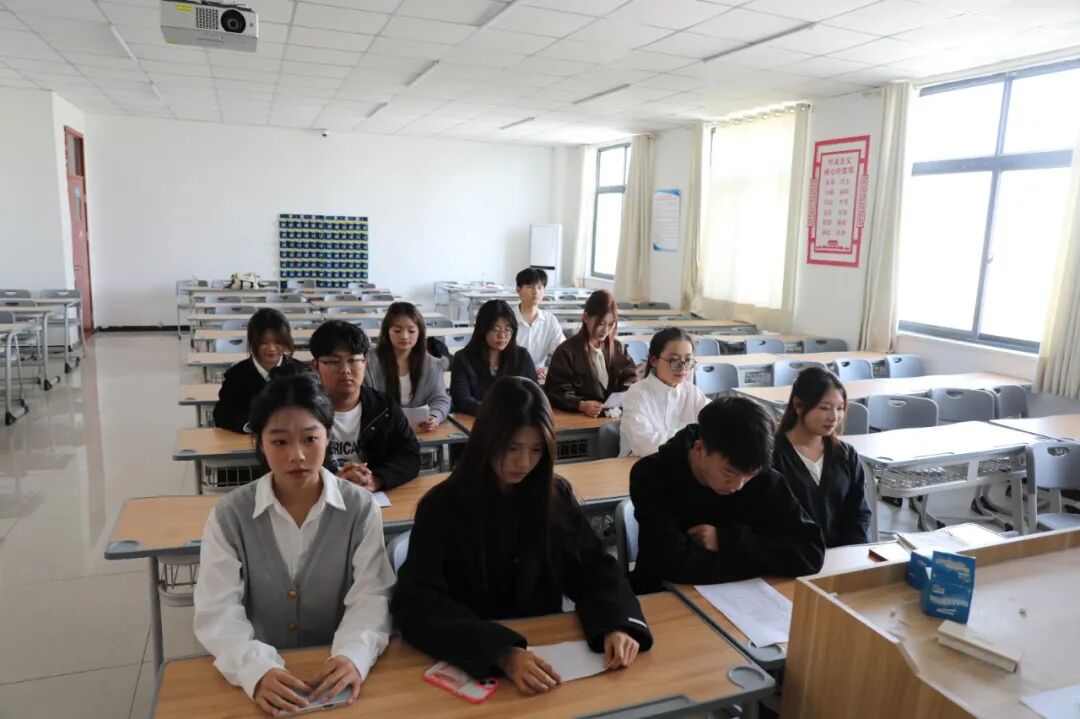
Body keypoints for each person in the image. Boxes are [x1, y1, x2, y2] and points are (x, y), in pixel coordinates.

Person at [391, 377, 653, 695]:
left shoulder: (554, 496)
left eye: (536, 449)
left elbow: (593, 568)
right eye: (511, 447)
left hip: (545, 653)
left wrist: (616, 622)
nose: (523, 462)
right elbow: (418, 604)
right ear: (486, 441)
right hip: (472, 659)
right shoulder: (442, 506)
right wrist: (501, 652)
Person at [193, 373, 395, 716]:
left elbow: (371, 594)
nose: (297, 455)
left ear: (328, 436)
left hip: (336, 671)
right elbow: (217, 610)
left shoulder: (360, 508)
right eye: (280, 441)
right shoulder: (230, 515)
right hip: (262, 671)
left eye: (310, 438)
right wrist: (255, 669)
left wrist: (353, 656)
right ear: (260, 443)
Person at [629, 396, 825, 592]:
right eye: (729, 473)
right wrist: (764, 559)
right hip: (663, 596)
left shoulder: (763, 477)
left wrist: (726, 541)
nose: (738, 486)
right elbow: (673, 565)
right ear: (700, 448)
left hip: (746, 597)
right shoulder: (652, 475)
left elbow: (810, 553)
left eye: (749, 476)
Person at [309, 320, 420, 491]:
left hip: (372, 496)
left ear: (365, 361)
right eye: (334, 361)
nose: (345, 370)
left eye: (353, 360)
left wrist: (376, 479)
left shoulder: (384, 408)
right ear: (316, 365)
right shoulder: (302, 412)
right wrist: (333, 481)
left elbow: (410, 456)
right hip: (319, 495)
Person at [772, 367, 871, 548]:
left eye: (840, 408)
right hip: (792, 556)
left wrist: (853, 553)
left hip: (842, 556)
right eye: (825, 408)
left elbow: (859, 514)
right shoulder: (773, 455)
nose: (834, 417)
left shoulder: (846, 455)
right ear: (799, 406)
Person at [619, 327, 711, 457]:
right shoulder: (637, 393)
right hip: (640, 464)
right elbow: (645, 445)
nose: (683, 367)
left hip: (683, 462)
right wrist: (693, 434)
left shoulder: (692, 391)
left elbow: (715, 424)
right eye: (674, 360)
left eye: (688, 360)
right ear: (654, 361)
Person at [545, 289, 637, 417]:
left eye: (611, 324)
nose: (605, 330)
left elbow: (631, 378)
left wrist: (623, 396)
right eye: (601, 324)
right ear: (586, 318)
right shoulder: (566, 351)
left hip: (615, 415)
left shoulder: (618, 347)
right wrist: (581, 404)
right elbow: (556, 391)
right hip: (580, 418)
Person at [213, 308, 307, 432]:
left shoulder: (301, 373)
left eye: (278, 342)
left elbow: (314, 411)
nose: (271, 348)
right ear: (253, 342)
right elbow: (222, 414)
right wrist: (252, 425)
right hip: (249, 439)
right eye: (264, 342)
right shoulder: (236, 375)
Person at [364, 302, 450, 434]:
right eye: (397, 331)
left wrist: (434, 416)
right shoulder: (368, 363)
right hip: (381, 433)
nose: (404, 336)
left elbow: (440, 399)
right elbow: (363, 400)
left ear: (420, 332)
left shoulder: (432, 364)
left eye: (411, 331)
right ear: (387, 331)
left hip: (419, 432)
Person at [450, 299, 537, 415]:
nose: (502, 336)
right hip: (476, 420)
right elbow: (461, 400)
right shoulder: (463, 358)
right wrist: (495, 412)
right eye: (496, 329)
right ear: (483, 329)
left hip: (516, 420)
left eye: (508, 330)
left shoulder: (522, 357)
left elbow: (534, 394)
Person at [513, 267, 564, 381]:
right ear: (519, 290)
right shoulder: (509, 318)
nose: (535, 292)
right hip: (512, 375)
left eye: (540, 287)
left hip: (539, 377)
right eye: (530, 287)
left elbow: (562, 352)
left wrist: (548, 370)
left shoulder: (550, 320)